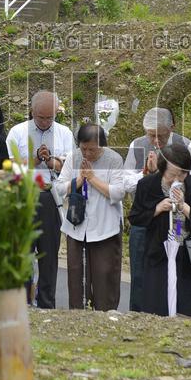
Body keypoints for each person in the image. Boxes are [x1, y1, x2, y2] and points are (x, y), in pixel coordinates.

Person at [122, 108, 191, 312]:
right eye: (151, 135)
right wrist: (147, 174)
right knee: (140, 273)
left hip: (176, 220)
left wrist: (164, 175)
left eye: (161, 135)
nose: (155, 140)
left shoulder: (185, 145)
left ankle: (174, 314)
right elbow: (126, 183)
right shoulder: (137, 145)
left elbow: (190, 183)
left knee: (175, 271)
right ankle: (138, 315)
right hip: (146, 219)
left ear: (171, 128)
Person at [6, 91, 73, 309]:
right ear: (32, 112)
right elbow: (11, 169)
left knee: (49, 254)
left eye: (50, 118)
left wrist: (52, 161)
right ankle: (22, 302)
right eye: (41, 117)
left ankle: (46, 303)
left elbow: (71, 168)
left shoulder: (64, 133)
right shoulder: (17, 132)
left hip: (51, 197)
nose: (45, 122)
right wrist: (35, 160)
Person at [128, 142, 191, 317]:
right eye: (172, 175)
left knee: (188, 310)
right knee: (156, 308)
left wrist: (183, 206)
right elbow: (135, 217)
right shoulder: (147, 185)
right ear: (162, 168)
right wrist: (157, 209)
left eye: (182, 175)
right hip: (158, 252)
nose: (177, 179)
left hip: (188, 256)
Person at [57, 123, 125, 311]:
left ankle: (106, 315)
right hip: (77, 227)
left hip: (105, 228)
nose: (87, 153)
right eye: (83, 148)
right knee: (76, 274)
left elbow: (119, 192)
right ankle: (78, 316)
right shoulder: (73, 158)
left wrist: (92, 179)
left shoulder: (114, 159)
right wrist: (79, 179)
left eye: (92, 150)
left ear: (101, 144)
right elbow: (59, 188)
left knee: (105, 275)